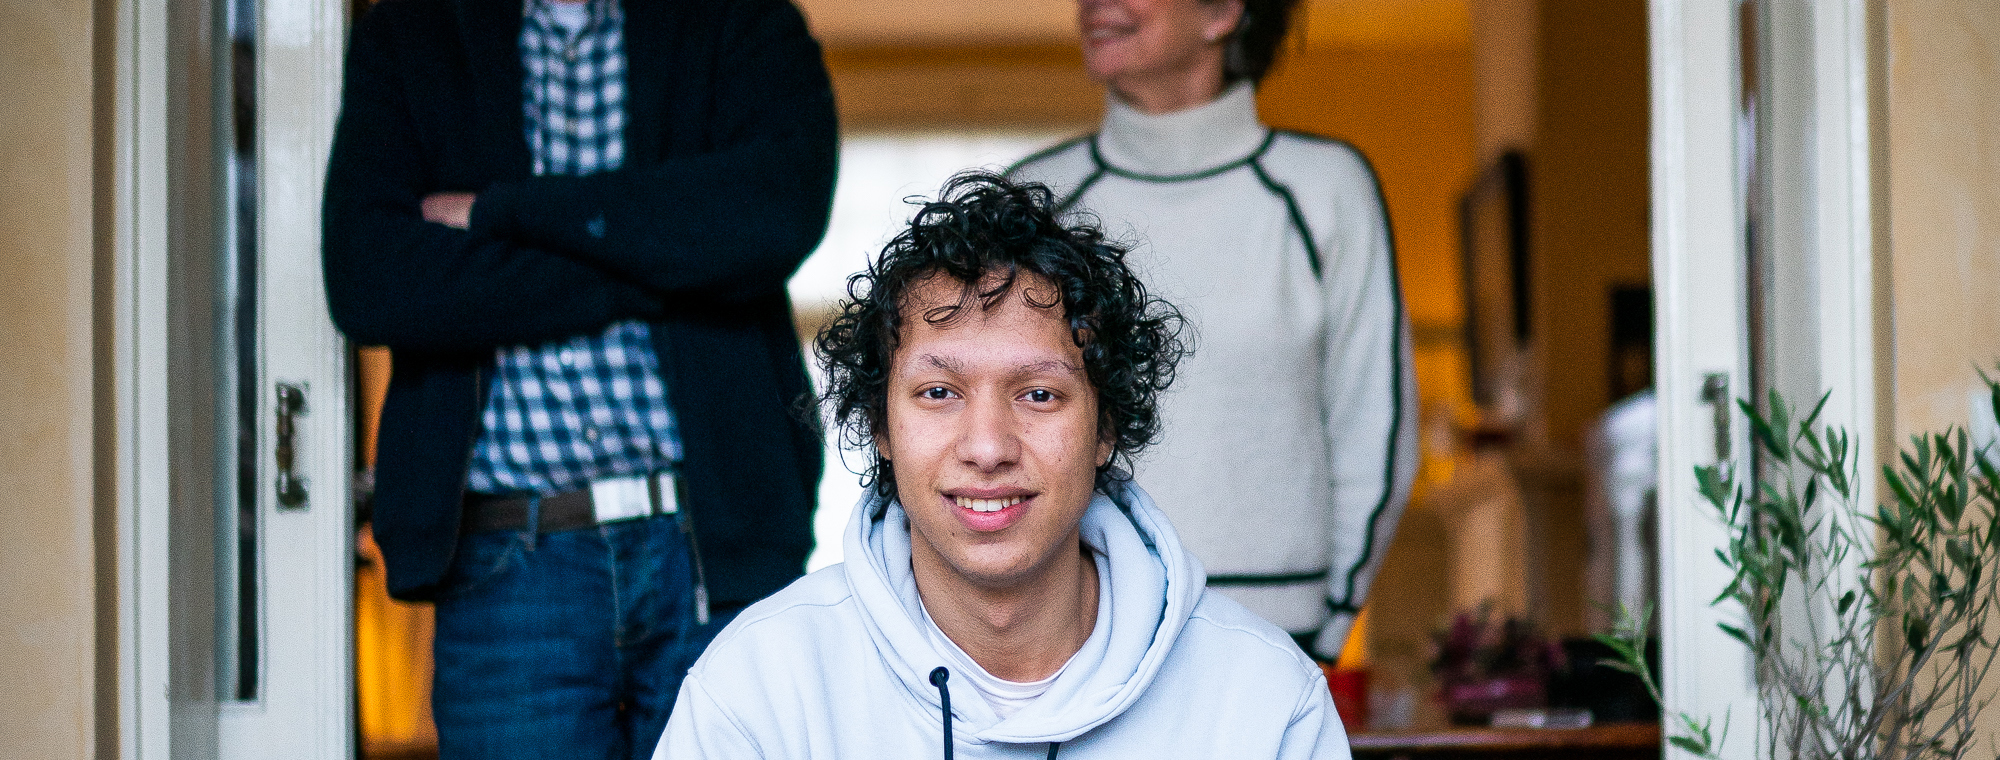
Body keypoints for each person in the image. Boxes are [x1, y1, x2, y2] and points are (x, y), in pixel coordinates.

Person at [653, 172, 1352, 758]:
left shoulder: (1263, 699)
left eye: (1039, 394)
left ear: (1105, 428)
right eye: (939, 393)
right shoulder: (759, 688)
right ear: (881, 427)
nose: (987, 448)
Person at [319, 0, 834, 756]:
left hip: (716, 548)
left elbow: (775, 216)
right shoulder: (408, 34)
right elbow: (370, 281)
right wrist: (665, 258)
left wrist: (503, 213)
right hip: (505, 568)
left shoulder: (742, 19)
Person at [1007, 0, 1417, 661]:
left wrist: (1329, 628)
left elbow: (1374, 424)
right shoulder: (1036, 198)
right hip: (1078, 638)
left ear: (1224, 11)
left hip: (1275, 637)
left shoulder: (1325, 188)